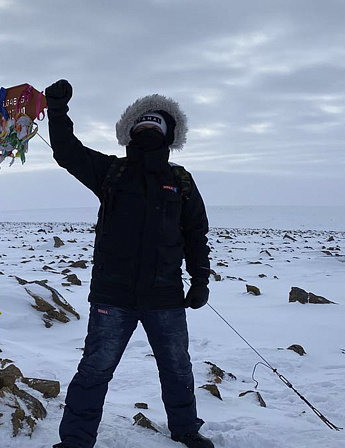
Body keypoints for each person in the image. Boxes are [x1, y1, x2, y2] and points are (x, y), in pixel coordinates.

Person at [44, 79, 214, 448]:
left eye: (156, 126)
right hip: (112, 294)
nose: (149, 130)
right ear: (130, 132)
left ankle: (186, 429)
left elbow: (195, 235)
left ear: (169, 135)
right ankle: (75, 440)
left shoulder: (180, 181)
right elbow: (68, 152)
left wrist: (200, 278)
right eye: (142, 126)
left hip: (165, 295)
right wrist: (57, 112)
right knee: (94, 369)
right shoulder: (111, 173)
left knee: (177, 368)